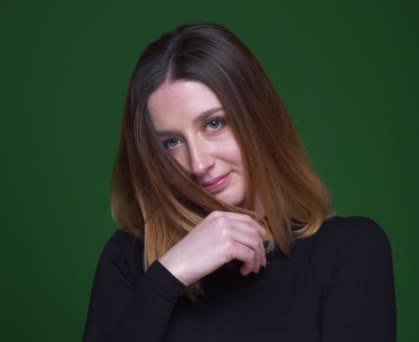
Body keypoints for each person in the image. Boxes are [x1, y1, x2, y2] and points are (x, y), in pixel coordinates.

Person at [82, 23, 396, 342]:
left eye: (214, 124)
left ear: (258, 116)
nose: (199, 163)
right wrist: (168, 275)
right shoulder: (130, 260)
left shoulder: (348, 250)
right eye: (171, 143)